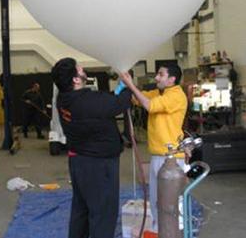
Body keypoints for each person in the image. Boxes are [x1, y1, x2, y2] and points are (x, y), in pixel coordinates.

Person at [51, 57, 132, 238]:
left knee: (82, 209)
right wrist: (128, 86)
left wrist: (118, 89)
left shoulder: (63, 99)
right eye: (80, 69)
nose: (83, 70)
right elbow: (119, 104)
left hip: (78, 161)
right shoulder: (87, 101)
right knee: (103, 213)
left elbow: (104, 103)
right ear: (76, 79)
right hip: (99, 165)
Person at [119, 63, 187, 232]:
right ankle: (159, 231)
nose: (156, 77)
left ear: (171, 79)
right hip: (158, 156)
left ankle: (174, 233)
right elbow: (138, 98)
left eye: (160, 74)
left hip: (171, 159)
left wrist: (131, 84)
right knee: (157, 201)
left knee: (170, 205)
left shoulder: (176, 95)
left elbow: (150, 106)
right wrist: (126, 85)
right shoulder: (159, 93)